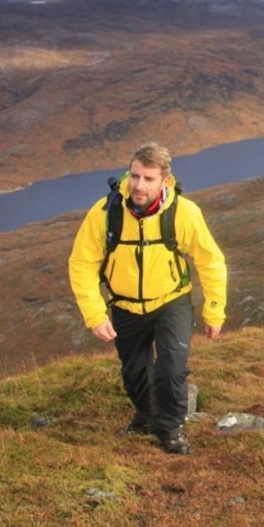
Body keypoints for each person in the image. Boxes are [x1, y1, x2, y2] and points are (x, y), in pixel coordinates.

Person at [68, 142, 227, 455]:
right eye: (135, 176)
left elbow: (211, 262)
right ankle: (144, 415)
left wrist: (214, 311)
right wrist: (95, 314)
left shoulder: (184, 213)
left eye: (148, 179)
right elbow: (81, 263)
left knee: (170, 368)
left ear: (164, 181)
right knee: (134, 371)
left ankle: (170, 428)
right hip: (125, 305)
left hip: (172, 301)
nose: (138, 185)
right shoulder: (105, 212)